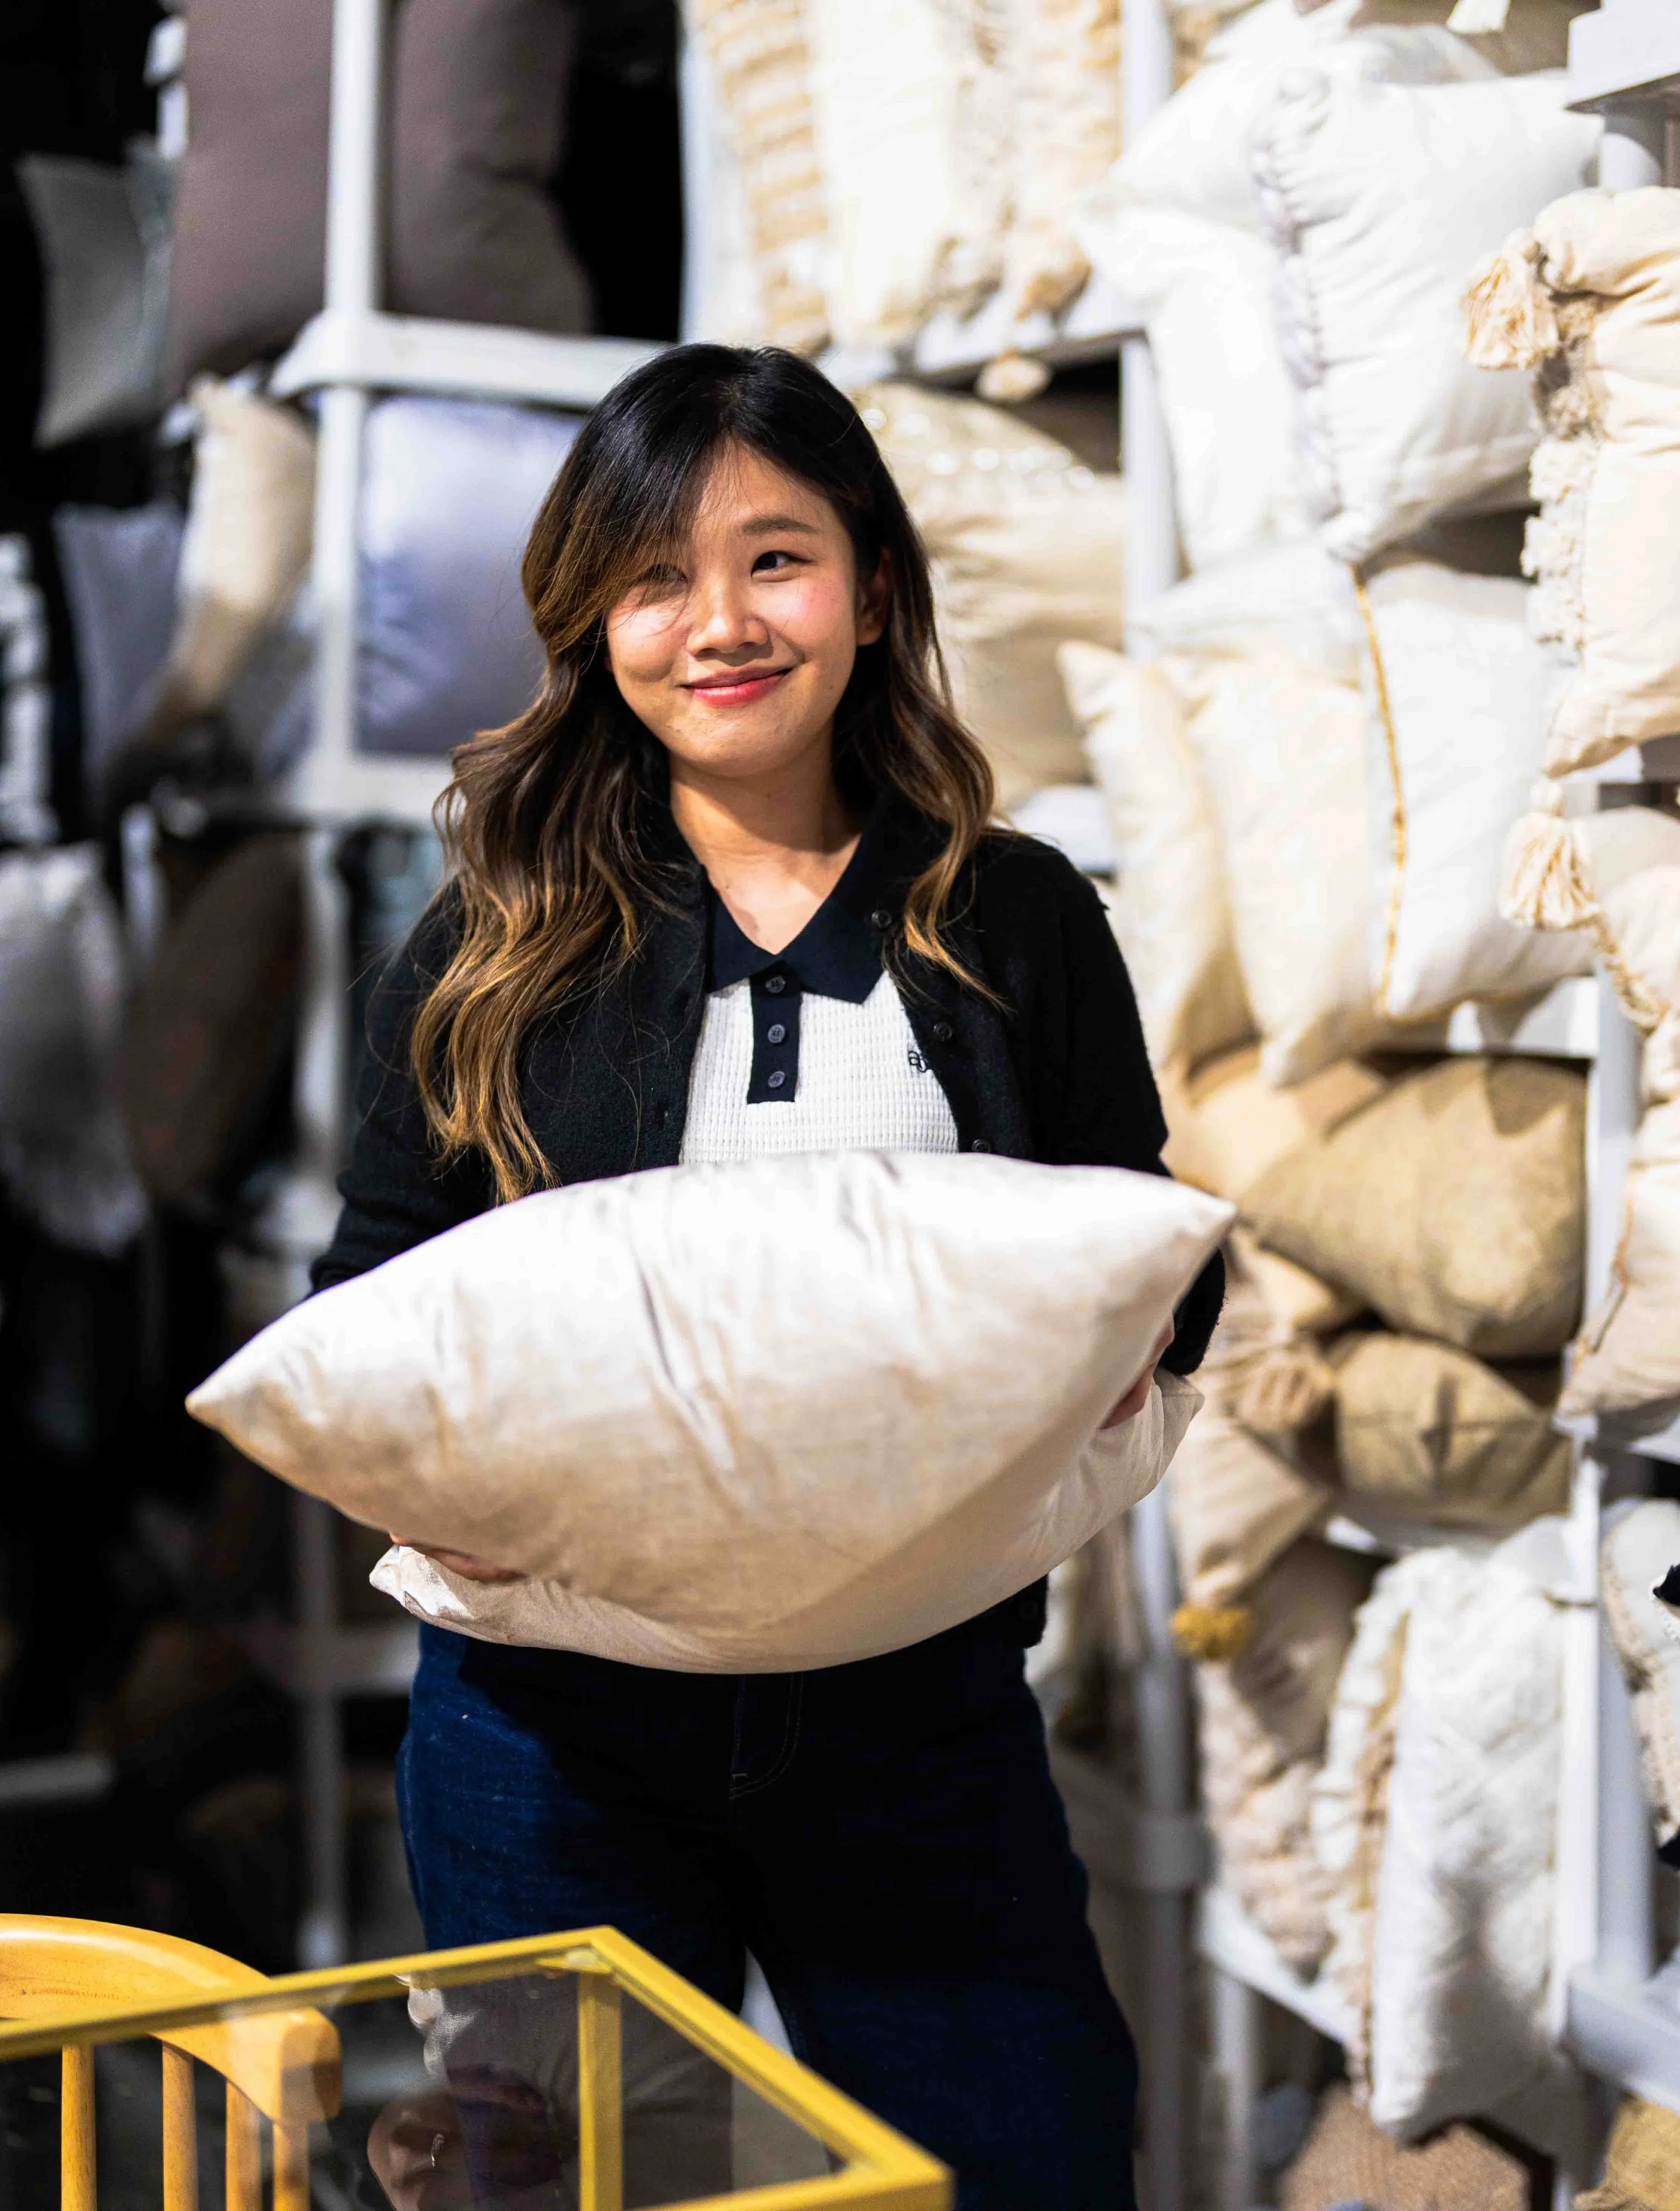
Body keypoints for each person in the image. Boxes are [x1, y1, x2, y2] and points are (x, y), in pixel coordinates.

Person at [314, 342, 1223, 2211]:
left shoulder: (1017, 915)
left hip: (917, 1719)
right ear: (593, 622)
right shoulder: (490, 947)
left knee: (1026, 2164)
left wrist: (1114, 1356)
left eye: (774, 560)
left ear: (872, 587)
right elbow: (371, 1304)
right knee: (573, 2193)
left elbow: (1144, 1245)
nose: (716, 623)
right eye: (655, 577)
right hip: (545, 1728)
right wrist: (448, 1498)